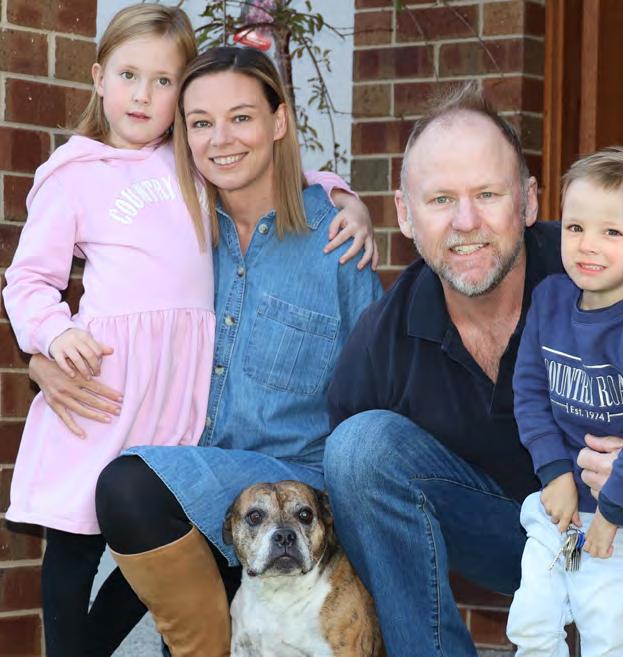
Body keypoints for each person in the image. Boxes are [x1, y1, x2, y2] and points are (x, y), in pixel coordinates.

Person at [325, 82, 623, 657]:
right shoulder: (384, 336)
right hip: (515, 532)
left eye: (488, 193)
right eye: (440, 200)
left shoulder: (619, 276)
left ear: (530, 201)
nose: (466, 221)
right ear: (405, 215)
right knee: (356, 449)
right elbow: (337, 493)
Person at [7, 7, 376, 657]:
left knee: (150, 509)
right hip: (142, 414)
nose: (143, 96)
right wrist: (46, 345)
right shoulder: (115, 183)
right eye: (129, 75)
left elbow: (291, 178)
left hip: (224, 432)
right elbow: (31, 278)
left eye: (163, 82)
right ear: (99, 78)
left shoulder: (222, 185)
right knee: (94, 520)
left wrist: (345, 197)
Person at [507, 146, 623, 656]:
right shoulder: (549, 300)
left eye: (612, 232)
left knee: (607, 638)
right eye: (575, 227)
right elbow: (530, 392)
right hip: (561, 506)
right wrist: (554, 473)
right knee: (531, 623)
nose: (588, 245)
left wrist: (611, 513)